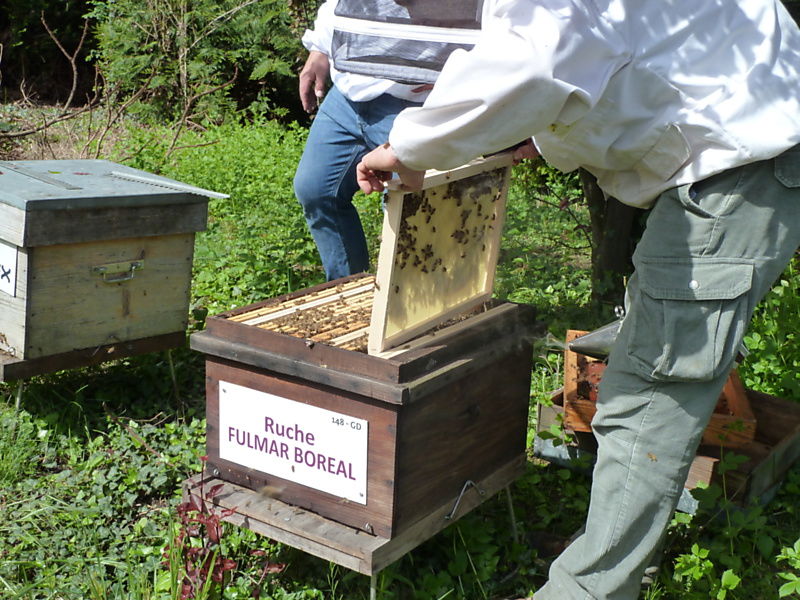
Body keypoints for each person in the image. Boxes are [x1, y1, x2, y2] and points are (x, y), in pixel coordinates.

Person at [356, 1, 800, 598]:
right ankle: (616, 555)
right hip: (743, 149)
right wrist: (543, 138)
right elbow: (615, 64)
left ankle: (590, 588)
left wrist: (410, 149)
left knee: (646, 399)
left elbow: (535, 64)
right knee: (651, 379)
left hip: (743, 164)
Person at [294, 0, 486, 280]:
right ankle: (346, 290)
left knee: (414, 215)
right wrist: (321, 47)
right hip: (348, 94)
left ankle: (412, 308)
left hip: (417, 102)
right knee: (316, 190)